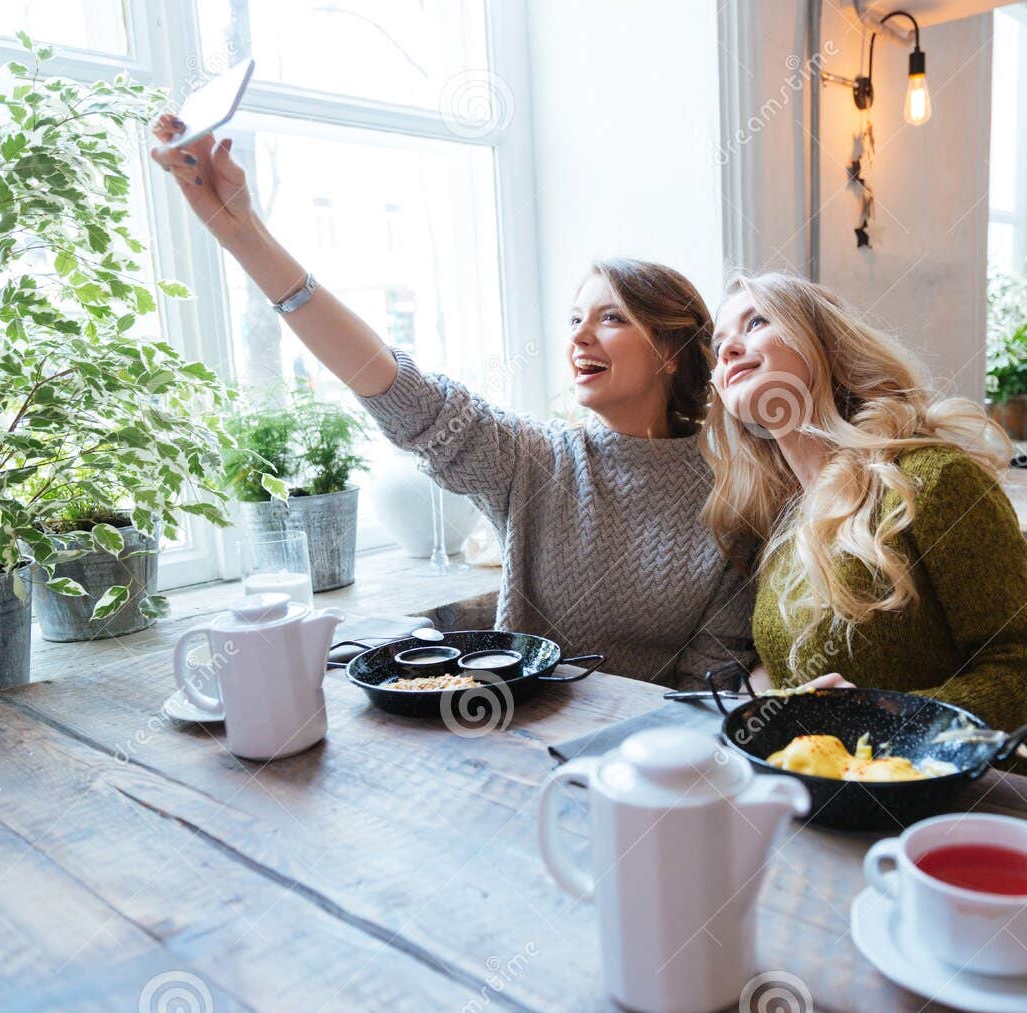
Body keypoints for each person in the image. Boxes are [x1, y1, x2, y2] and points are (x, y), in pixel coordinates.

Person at [149, 129, 754, 687]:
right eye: (574, 319)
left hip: (652, 766)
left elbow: (712, 678)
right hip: (510, 740)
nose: (577, 338)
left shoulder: (736, 489)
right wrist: (244, 235)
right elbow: (391, 385)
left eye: (611, 317)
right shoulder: (535, 462)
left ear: (672, 351)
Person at [702, 271, 1027, 777]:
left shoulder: (935, 481)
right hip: (860, 797)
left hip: (999, 795)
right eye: (719, 343)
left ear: (825, 344)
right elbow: (789, 668)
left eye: (757, 321)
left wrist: (889, 720)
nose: (728, 351)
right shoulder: (784, 513)